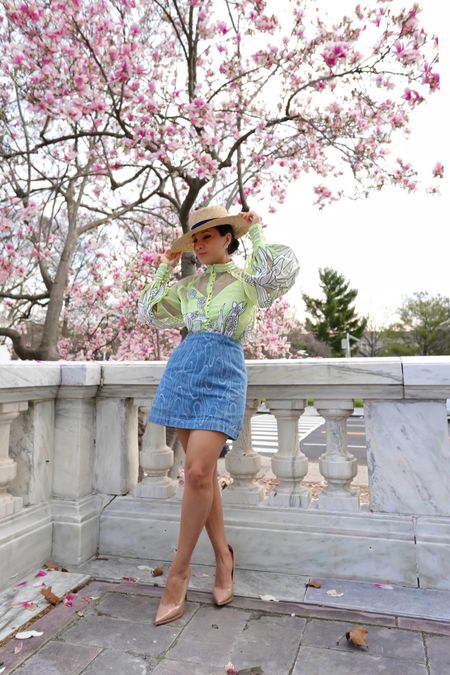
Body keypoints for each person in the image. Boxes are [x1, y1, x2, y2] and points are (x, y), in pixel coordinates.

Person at [138, 205, 299, 626]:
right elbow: (150, 312)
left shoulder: (247, 283)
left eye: (207, 236)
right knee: (200, 475)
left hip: (225, 375)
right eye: (195, 238)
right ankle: (224, 557)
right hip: (183, 372)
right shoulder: (188, 286)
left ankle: (179, 572)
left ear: (228, 237)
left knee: (196, 472)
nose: (199, 244)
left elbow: (276, 275)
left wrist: (258, 230)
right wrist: (164, 267)